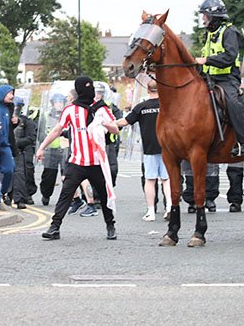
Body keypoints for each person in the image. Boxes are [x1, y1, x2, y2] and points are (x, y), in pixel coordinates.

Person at [39, 76, 119, 240]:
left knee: (103, 196)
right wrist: (41, 147)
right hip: (77, 162)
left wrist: (103, 123)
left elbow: (115, 130)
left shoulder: (101, 109)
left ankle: (110, 226)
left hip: (97, 162)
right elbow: (56, 130)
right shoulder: (70, 110)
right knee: (66, 194)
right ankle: (55, 227)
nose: (89, 92)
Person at [196, 0, 244, 158]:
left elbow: (230, 57)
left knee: (233, 103)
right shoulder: (208, 33)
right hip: (208, 78)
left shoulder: (230, 32)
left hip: (227, 78)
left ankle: (243, 143)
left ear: (214, 16)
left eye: (205, 15)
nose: (203, 18)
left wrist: (206, 60)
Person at [116, 82, 171, 221]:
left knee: (150, 180)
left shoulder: (141, 107)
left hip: (149, 148)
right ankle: (170, 208)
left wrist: (106, 122)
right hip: (167, 147)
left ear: (148, 90)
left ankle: (151, 212)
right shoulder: (167, 105)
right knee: (167, 179)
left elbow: (125, 122)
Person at [39, 93, 67, 206]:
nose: (59, 104)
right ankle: (46, 195)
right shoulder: (46, 115)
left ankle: (68, 199)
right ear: (52, 103)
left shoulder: (67, 114)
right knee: (49, 176)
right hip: (51, 150)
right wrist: (43, 146)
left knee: (67, 175)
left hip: (65, 149)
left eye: (61, 102)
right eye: (57, 102)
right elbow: (41, 132)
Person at [11, 96, 37, 209]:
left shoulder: (26, 121)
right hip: (8, 149)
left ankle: (24, 196)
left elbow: (31, 137)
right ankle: (7, 194)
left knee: (26, 171)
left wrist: (17, 143)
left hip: (23, 150)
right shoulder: (4, 119)